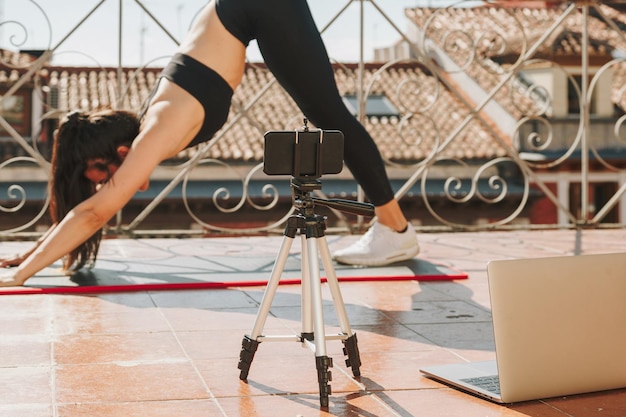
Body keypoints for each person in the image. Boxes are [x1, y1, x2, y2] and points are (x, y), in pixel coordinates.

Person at [0, 0, 419, 287]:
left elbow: (92, 215)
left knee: (332, 117)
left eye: (100, 176)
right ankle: (391, 227)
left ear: (118, 153)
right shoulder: (153, 120)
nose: (109, 187)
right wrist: (29, 254)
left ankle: (394, 227)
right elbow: (86, 209)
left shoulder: (160, 125)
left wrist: (21, 276)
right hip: (246, 11)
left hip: (255, 6)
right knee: (331, 116)